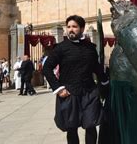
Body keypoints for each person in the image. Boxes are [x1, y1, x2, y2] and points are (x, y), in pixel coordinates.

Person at [43, 15, 109, 144]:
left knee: (91, 125)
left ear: (82, 28)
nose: (70, 30)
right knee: (71, 128)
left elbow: (96, 68)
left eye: (74, 27)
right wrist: (58, 88)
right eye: (68, 27)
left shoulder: (90, 48)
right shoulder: (61, 48)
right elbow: (47, 68)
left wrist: (105, 82)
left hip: (89, 92)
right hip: (69, 93)